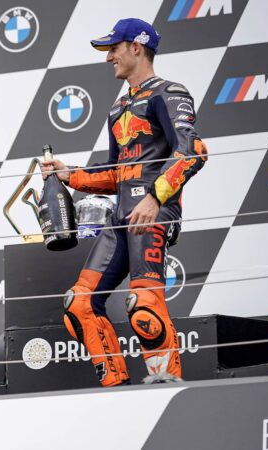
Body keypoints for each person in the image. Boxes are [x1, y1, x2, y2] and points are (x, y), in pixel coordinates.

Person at [41, 19, 207, 385]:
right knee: (78, 304)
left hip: (153, 214)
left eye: (113, 49)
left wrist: (154, 198)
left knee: (144, 308)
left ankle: (165, 386)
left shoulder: (169, 93)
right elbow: (117, 173)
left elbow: (193, 152)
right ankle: (115, 386)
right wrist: (71, 175)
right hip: (119, 220)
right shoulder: (118, 108)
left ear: (137, 47)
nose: (108, 57)